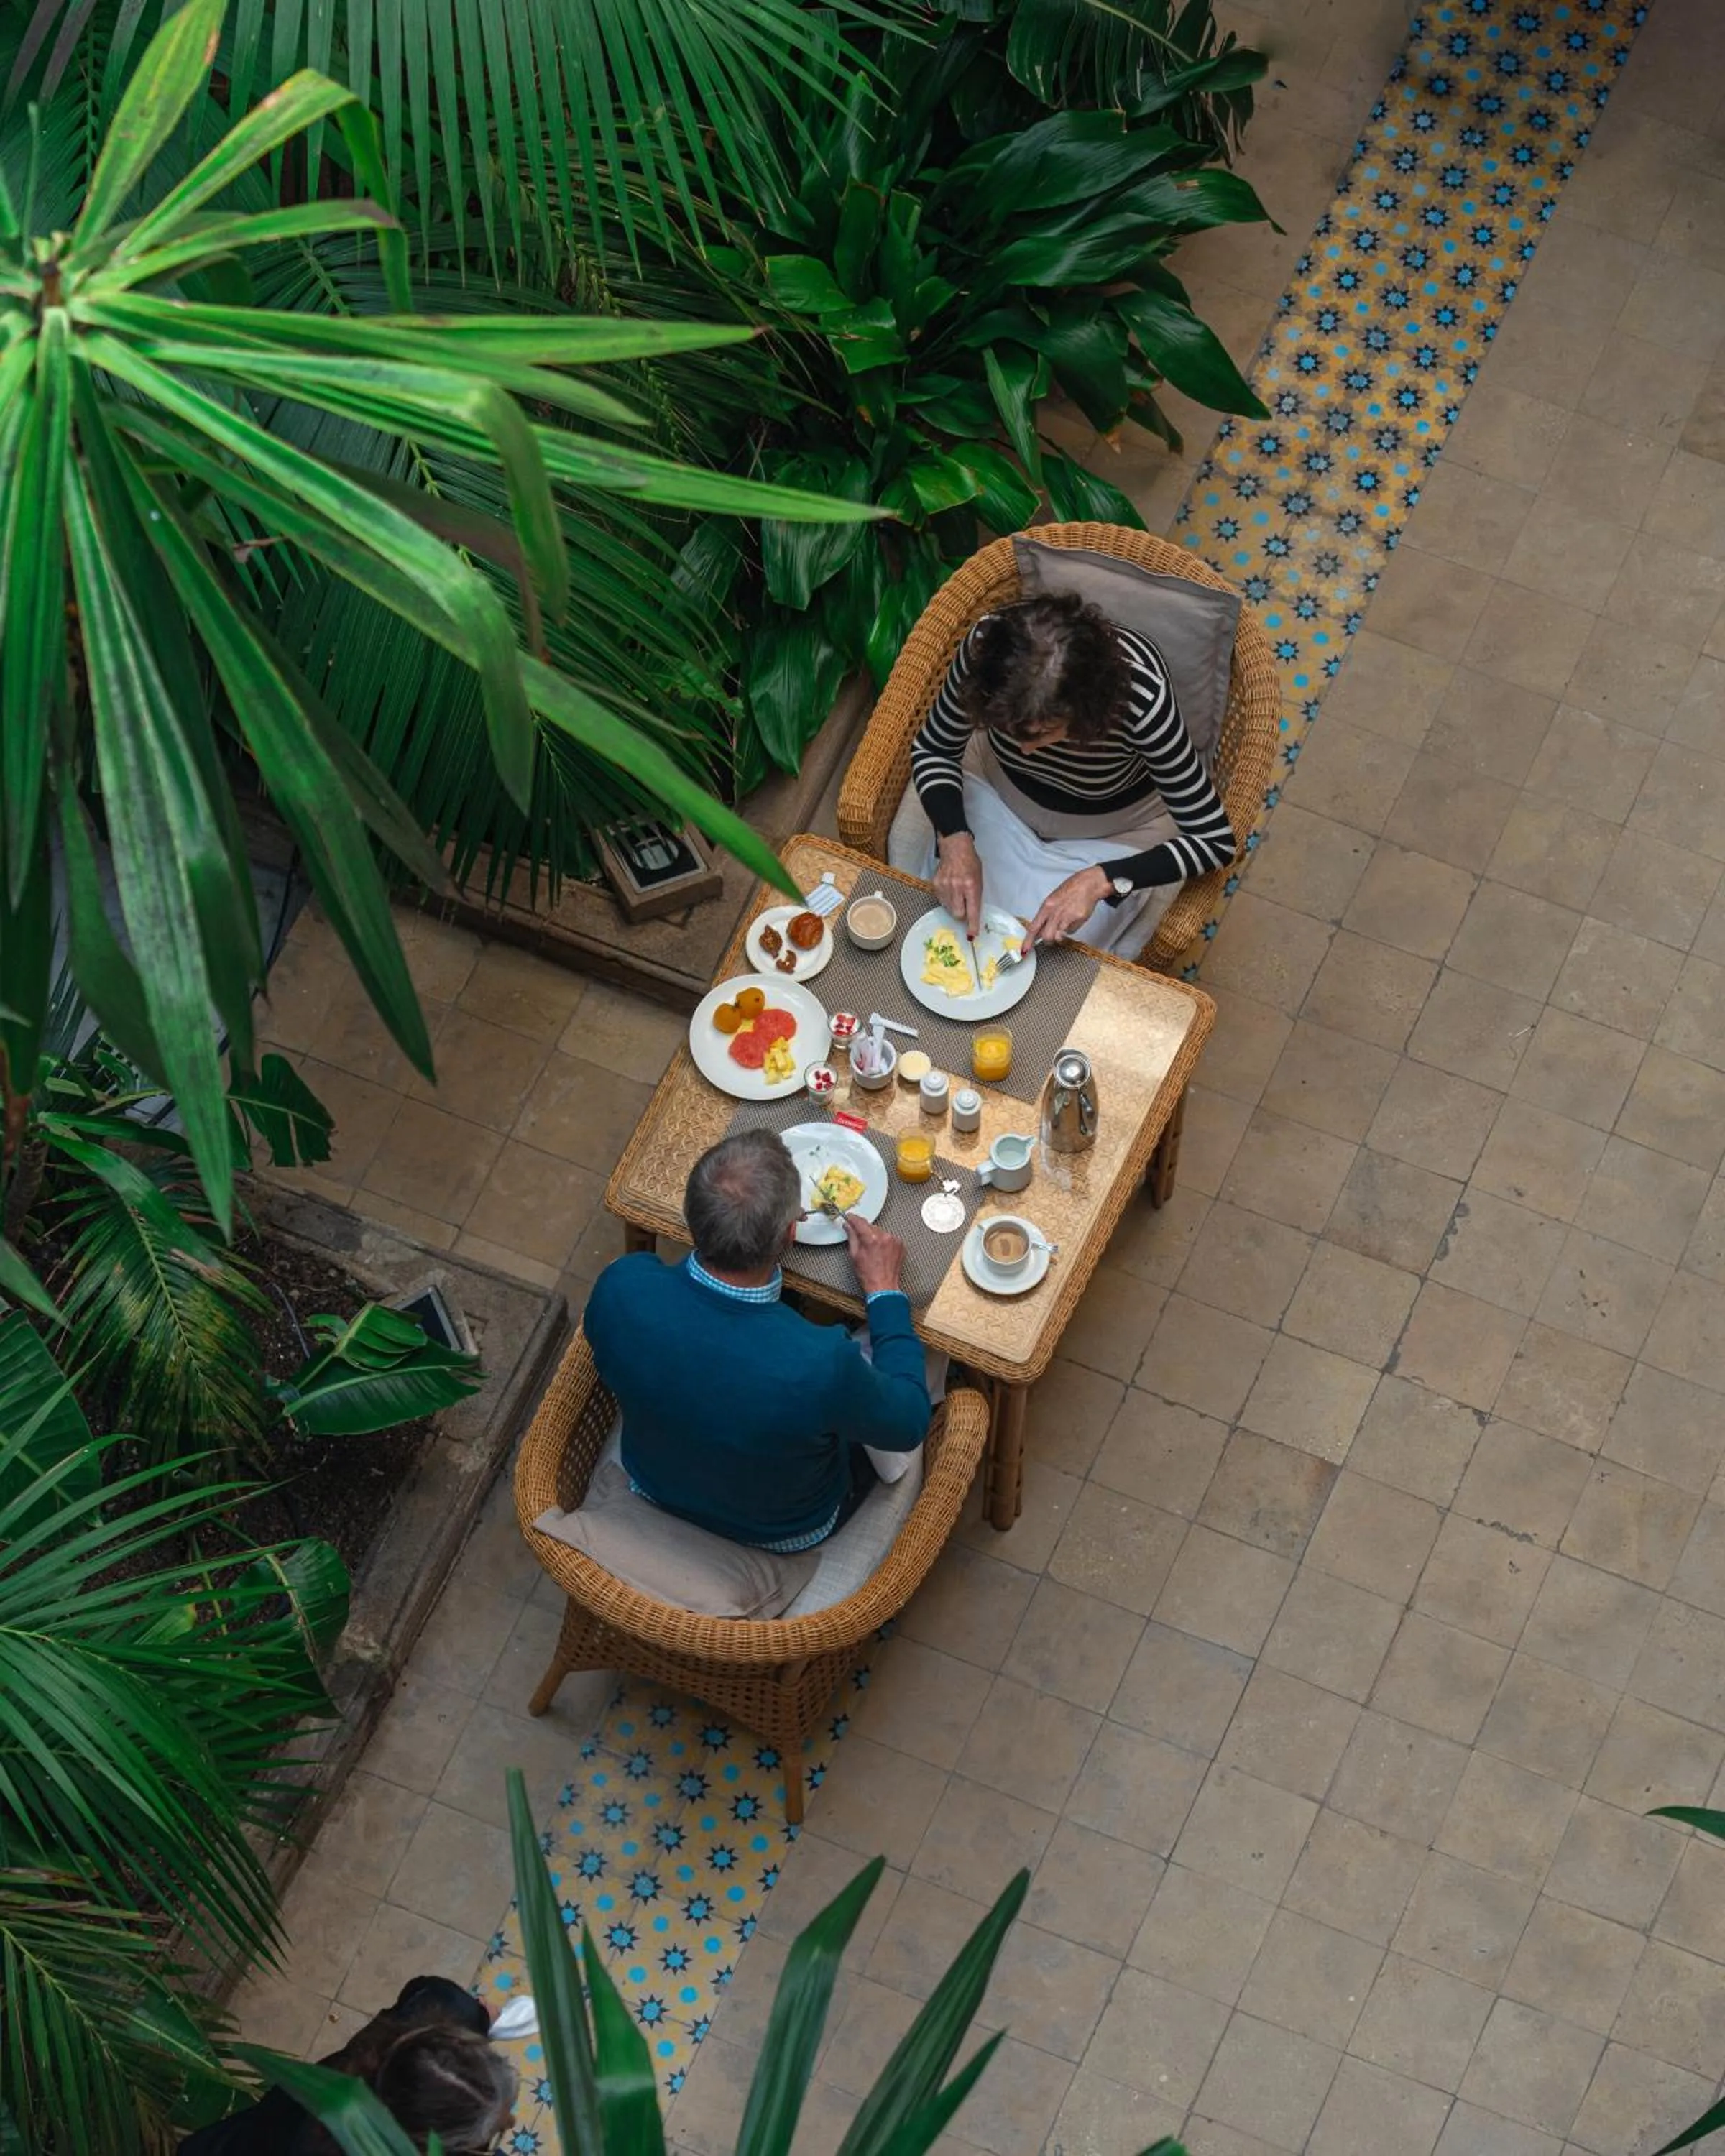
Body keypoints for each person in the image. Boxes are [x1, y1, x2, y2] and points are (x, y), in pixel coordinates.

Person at [584, 1130, 931, 1550]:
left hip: (656, 1479)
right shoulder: (823, 1365)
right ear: (791, 1234)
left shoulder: (621, 1286)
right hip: (785, 1527)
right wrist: (884, 1290)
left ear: (691, 1213)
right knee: (923, 1357)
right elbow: (910, 1422)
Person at [888, 589, 1238, 955]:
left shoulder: (1144, 699)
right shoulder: (985, 646)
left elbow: (1214, 840)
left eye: (1041, 734)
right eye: (1004, 728)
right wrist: (955, 839)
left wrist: (1101, 880)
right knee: (940, 921)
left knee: (1048, 953)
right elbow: (935, 747)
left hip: (1111, 831)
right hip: (998, 791)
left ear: (1086, 707)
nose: (1023, 749)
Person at [178, 1976, 515, 2155]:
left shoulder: (444, 2003)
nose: (511, 2122)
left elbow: (427, 1994)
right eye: (489, 2135)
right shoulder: (322, 2146)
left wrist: (481, 2017)